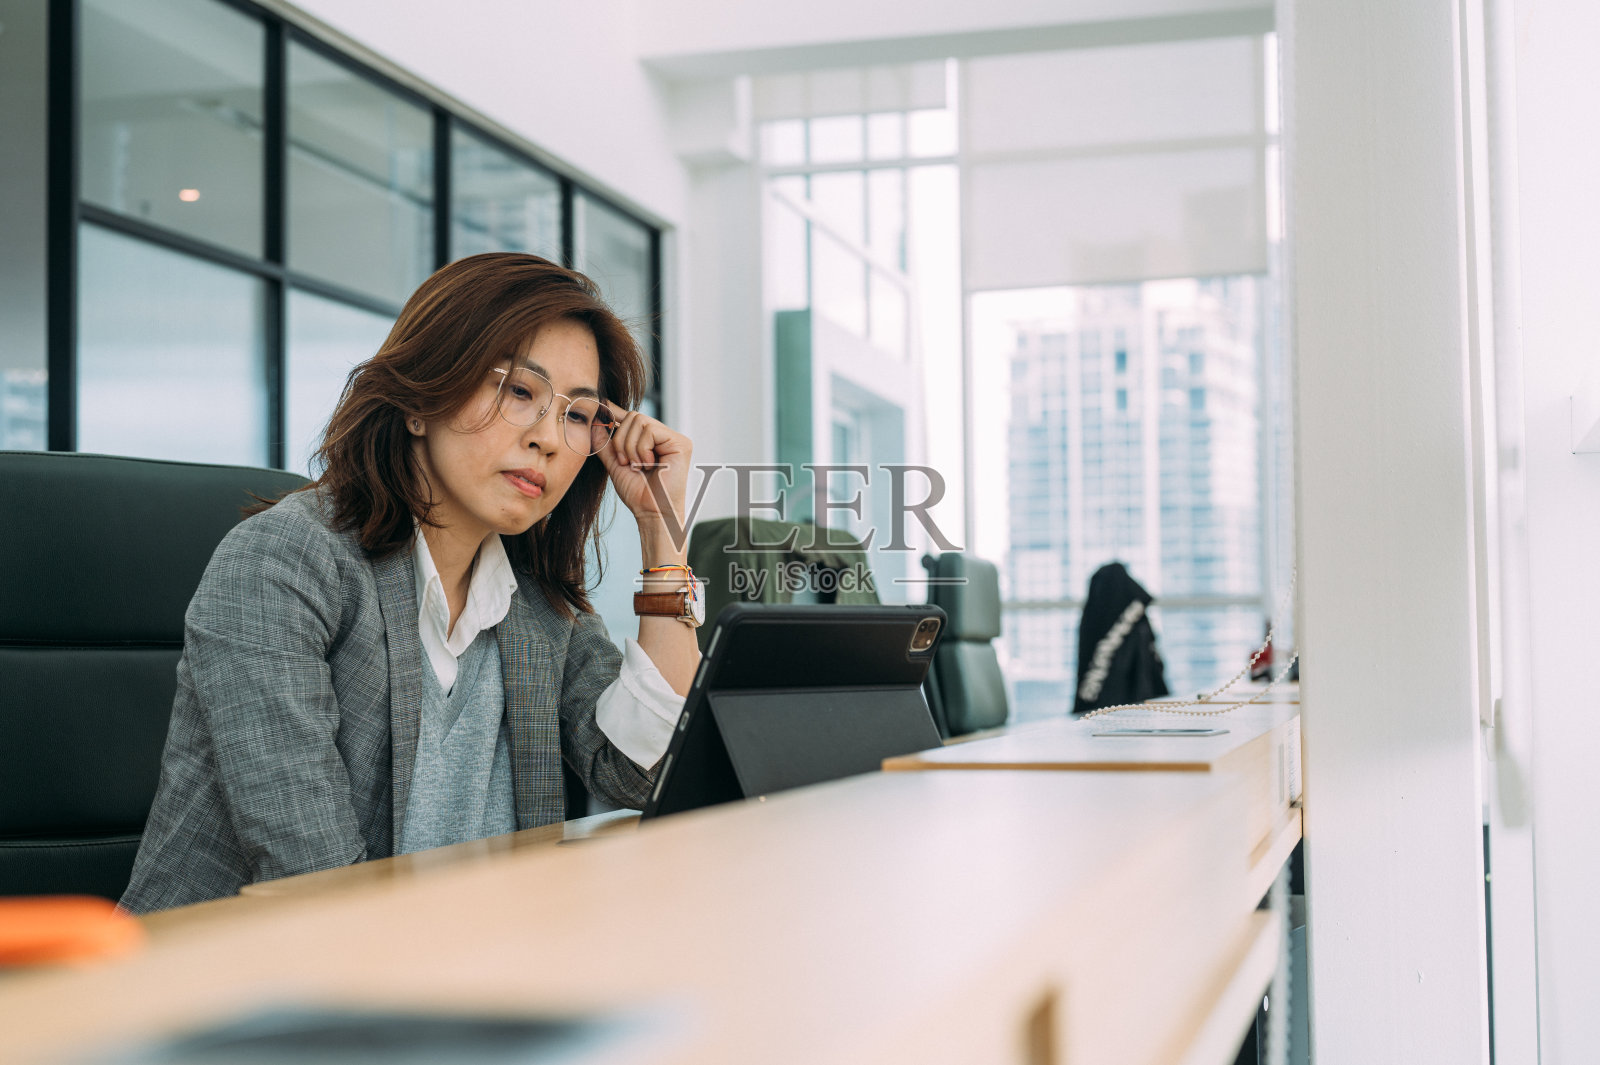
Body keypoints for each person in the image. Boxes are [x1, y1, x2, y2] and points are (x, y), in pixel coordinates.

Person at [120, 253, 701, 914]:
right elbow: (318, 881)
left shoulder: (537, 602)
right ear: (421, 399)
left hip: (471, 958)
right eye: (519, 391)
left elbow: (642, 773)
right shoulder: (285, 561)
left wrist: (662, 531)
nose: (547, 437)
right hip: (238, 968)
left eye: (577, 415)